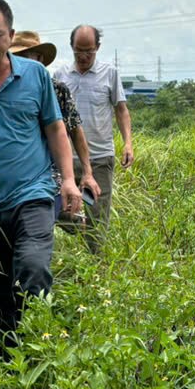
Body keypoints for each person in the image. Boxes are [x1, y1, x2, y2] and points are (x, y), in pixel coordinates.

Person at [0, 0, 80, 354]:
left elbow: (56, 129)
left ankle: (39, 347)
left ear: (10, 35)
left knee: (31, 268)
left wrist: (69, 178)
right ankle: (6, 358)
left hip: (31, 194)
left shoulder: (35, 76)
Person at [52, 25, 134, 252]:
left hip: (99, 158)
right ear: (71, 48)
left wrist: (128, 143)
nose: (84, 56)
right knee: (57, 210)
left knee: (96, 211)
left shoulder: (110, 73)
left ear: (97, 48)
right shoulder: (60, 76)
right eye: (79, 51)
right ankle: (86, 231)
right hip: (67, 158)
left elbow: (121, 110)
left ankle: (96, 267)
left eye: (89, 51)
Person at [10, 30, 101, 224]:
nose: (20, 62)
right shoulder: (2, 88)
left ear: (40, 59)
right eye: (16, 57)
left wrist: (87, 172)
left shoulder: (57, 89)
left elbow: (75, 130)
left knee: (63, 219)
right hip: (15, 172)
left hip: (49, 174)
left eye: (26, 57)